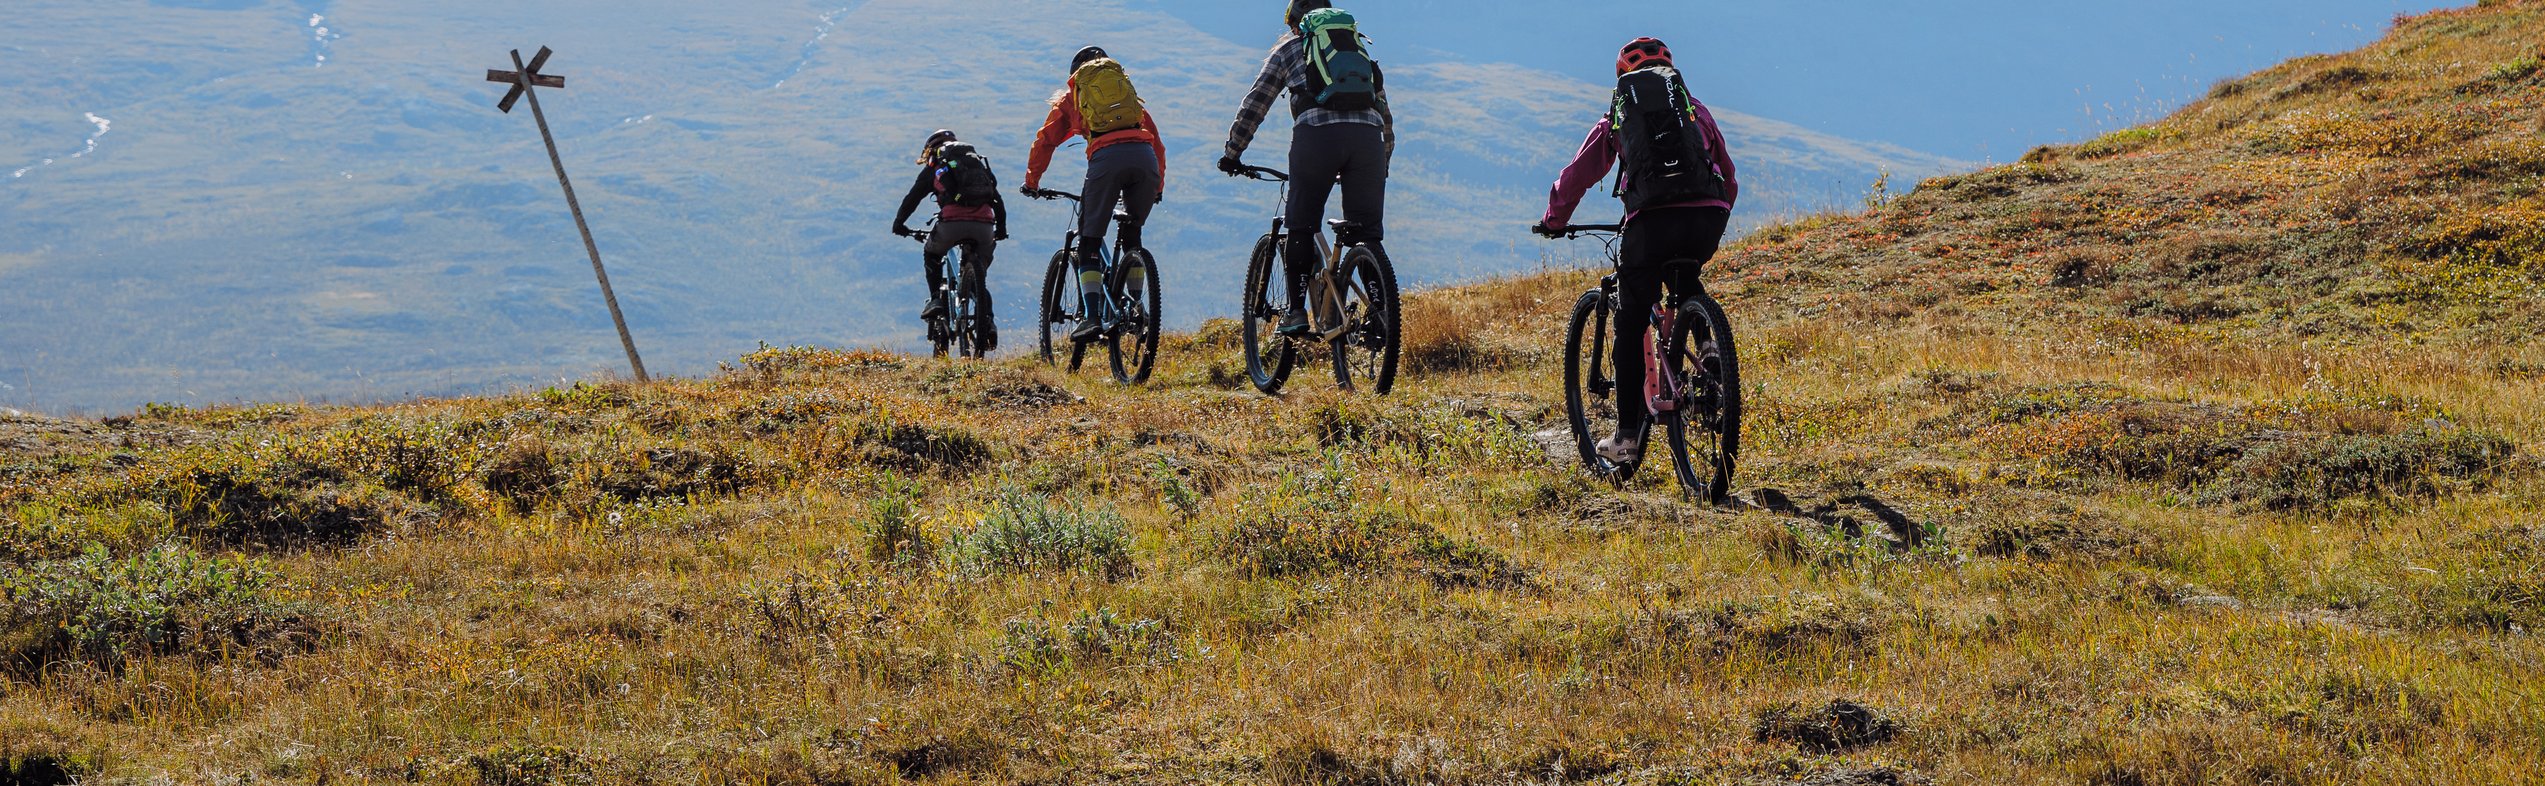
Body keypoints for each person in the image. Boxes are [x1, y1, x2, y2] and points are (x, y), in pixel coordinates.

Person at [1534, 37, 1739, 464]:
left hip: (1651, 223)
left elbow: (1578, 175)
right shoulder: (1693, 109)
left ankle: (1627, 436)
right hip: (1707, 217)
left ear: (1622, 76)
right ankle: (1707, 346)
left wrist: (1555, 219)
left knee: (1629, 321)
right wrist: (1712, 211)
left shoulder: (1620, 111)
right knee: (1685, 274)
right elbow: (1728, 173)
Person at [1218, 0, 1394, 337]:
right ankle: (1381, 315)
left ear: (1296, 23)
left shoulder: (1288, 49)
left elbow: (1256, 103)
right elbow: (1384, 112)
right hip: (1368, 141)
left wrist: (1232, 152)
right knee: (1366, 233)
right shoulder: (1355, 50)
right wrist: (1380, 164)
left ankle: (1296, 312)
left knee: (1301, 223)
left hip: (1317, 139)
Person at [1023, 46, 1168, 342]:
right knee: (1132, 235)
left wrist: (1032, 181)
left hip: (1106, 161)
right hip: (1145, 160)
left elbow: (1045, 140)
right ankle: (1136, 306)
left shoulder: (1072, 97)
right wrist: (1158, 187)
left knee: (1089, 240)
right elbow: (1157, 144)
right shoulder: (1127, 97)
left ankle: (1091, 318)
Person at [893, 129, 1009, 352]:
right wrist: (1001, 229)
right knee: (979, 281)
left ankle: (936, 299)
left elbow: (913, 198)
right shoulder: (976, 166)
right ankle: (988, 323)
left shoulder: (937, 167)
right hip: (985, 228)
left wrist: (899, 224)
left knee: (932, 254)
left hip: (951, 226)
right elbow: (997, 199)